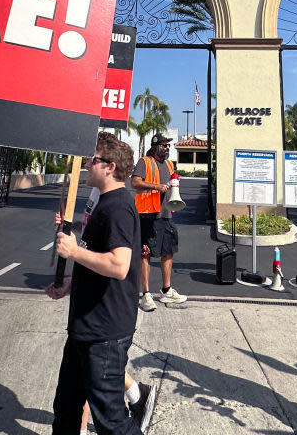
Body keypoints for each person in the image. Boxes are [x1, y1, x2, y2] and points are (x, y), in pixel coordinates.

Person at [46, 131, 144, 435]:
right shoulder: (103, 204)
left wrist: (73, 251)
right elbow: (95, 259)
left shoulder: (118, 207)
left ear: (110, 166)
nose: (88, 164)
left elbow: (118, 265)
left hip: (105, 333)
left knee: (111, 420)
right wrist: (70, 285)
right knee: (66, 408)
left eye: (94, 160)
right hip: (85, 327)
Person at [130, 134, 186, 311]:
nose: (167, 148)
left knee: (168, 251)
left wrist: (174, 196)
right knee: (145, 253)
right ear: (155, 147)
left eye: (168, 146)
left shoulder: (169, 164)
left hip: (165, 214)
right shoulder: (144, 162)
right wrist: (156, 187)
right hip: (147, 214)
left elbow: (171, 186)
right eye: (163, 145)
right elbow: (135, 182)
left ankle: (166, 290)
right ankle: (145, 295)